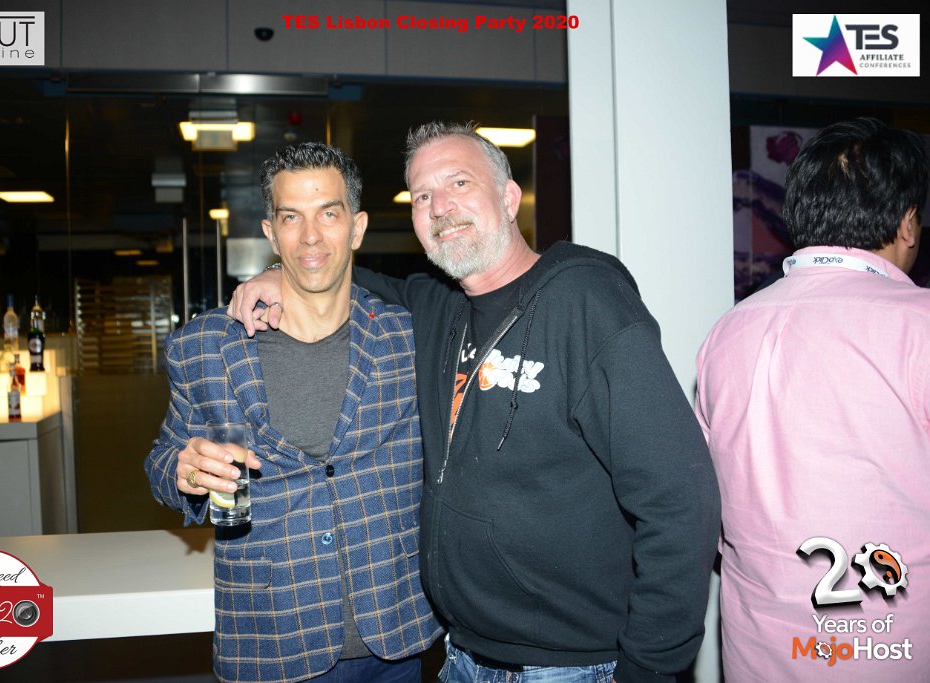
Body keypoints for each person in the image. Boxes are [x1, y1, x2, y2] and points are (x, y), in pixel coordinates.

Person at [229, 122, 720, 683]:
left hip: (572, 667)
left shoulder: (586, 305)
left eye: (459, 183)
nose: (440, 207)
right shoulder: (437, 307)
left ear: (508, 199)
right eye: (422, 196)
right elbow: (339, 273)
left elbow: (682, 499)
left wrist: (649, 669)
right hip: (462, 657)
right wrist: (281, 272)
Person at [145, 142, 441, 683]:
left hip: (394, 637)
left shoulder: (408, 339)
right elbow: (163, 460)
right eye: (291, 217)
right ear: (271, 232)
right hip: (271, 640)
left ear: (357, 228)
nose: (309, 236)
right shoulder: (203, 346)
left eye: (328, 214)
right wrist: (182, 472)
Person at [695, 118, 930, 682]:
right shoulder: (919, 326)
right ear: (907, 223)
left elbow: (705, 504)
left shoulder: (727, 331)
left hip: (758, 652)